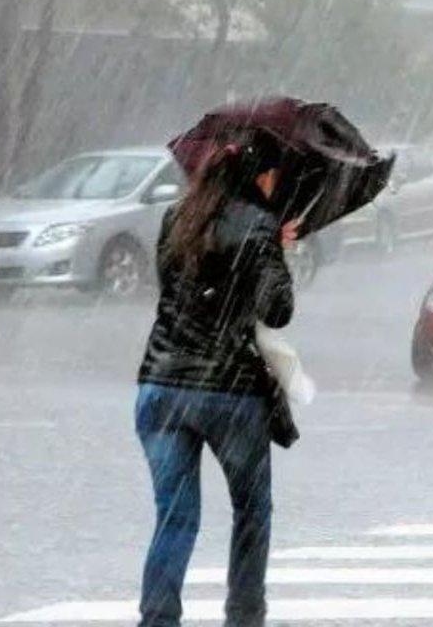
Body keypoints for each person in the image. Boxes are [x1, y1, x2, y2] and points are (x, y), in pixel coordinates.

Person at [135, 131, 294, 627]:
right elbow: (278, 310)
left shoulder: (176, 217)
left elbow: (174, 290)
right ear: (259, 176)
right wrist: (276, 251)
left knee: (175, 516)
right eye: (274, 175)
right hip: (230, 393)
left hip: (161, 386)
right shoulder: (259, 225)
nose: (275, 183)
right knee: (251, 511)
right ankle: (244, 615)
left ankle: (158, 619)